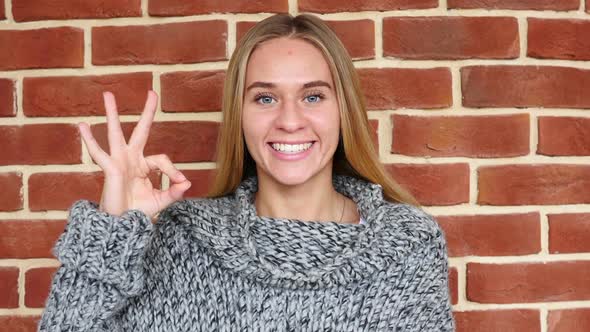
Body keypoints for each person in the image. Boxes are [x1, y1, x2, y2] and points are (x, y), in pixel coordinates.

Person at [38, 13, 456, 331]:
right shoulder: (181, 239)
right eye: (265, 98)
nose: (290, 121)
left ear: (343, 110)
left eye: (312, 96)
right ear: (239, 114)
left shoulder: (408, 245)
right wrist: (114, 229)